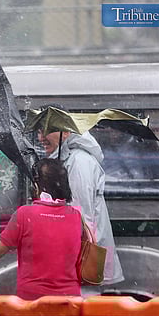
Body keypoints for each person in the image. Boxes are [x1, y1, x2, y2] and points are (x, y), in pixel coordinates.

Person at [37, 105, 124, 285]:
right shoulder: (67, 159)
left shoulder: (78, 162)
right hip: (77, 258)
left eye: (46, 130)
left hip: (83, 261)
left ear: (66, 132)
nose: (40, 138)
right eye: (39, 131)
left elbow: (81, 215)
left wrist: (71, 259)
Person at [0, 158, 82, 300]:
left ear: (36, 187)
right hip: (70, 300)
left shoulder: (25, 214)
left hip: (33, 301)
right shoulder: (76, 216)